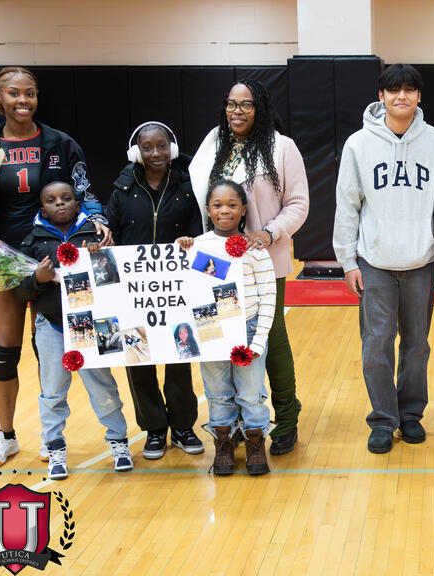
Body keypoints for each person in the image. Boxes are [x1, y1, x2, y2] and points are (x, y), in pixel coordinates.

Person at [0, 66, 109, 469]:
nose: (23, 100)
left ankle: (52, 436)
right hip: (0, 255)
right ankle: (6, 436)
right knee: (4, 351)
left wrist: (99, 221)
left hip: (50, 254)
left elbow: (85, 194)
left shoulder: (60, 143)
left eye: (29, 93)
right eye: (14, 93)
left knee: (47, 348)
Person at [333, 64, 434, 454]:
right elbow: (347, 205)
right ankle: (384, 419)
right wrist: (348, 260)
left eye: (409, 90)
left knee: (417, 344)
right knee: (377, 343)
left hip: (421, 260)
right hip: (374, 261)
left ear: (419, 96)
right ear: (381, 96)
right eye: (393, 90)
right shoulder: (358, 143)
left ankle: (411, 414)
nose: (402, 96)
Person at [190, 79, 309, 456]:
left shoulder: (281, 147)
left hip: (263, 261)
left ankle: (287, 417)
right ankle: (243, 422)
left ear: (261, 108)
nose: (237, 111)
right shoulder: (213, 143)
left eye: (246, 104)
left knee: (270, 338)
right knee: (226, 335)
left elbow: (299, 204)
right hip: (218, 264)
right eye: (231, 103)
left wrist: (269, 233)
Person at [11, 182, 131, 480]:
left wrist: (102, 258)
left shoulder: (97, 235)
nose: (60, 203)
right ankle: (54, 448)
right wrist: (37, 279)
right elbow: (20, 292)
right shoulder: (32, 241)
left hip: (92, 325)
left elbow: (116, 282)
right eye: (51, 200)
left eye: (66, 198)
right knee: (52, 392)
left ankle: (118, 442)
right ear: (43, 210)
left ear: (78, 205)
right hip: (51, 326)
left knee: (103, 388)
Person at [106, 121, 205, 459]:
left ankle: (183, 427)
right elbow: (111, 234)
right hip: (134, 292)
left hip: (175, 289)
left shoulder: (187, 186)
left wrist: (191, 239)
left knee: (179, 357)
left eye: (161, 146)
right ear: (136, 152)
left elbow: (198, 231)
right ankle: (154, 430)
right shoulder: (122, 189)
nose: (155, 153)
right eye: (147, 147)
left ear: (172, 148)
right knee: (138, 360)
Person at [177, 180, 276, 475]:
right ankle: (224, 445)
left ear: (243, 210)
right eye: (217, 205)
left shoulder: (255, 250)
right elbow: (180, 285)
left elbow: (268, 296)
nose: (224, 210)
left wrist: (258, 340)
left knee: (251, 393)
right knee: (218, 393)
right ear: (208, 210)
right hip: (210, 330)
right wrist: (180, 249)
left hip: (249, 329)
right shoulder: (196, 246)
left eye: (232, 205)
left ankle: (255, 443)